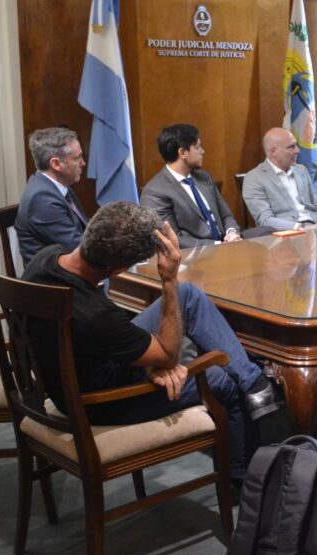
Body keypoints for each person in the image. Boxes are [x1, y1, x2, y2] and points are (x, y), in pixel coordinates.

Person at [21, 202, 278, 488]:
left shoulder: (46, 259)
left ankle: (254, 382)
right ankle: (245, 484)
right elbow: (168, 355)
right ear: (118, 269)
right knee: (223, 380)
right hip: (101, 401)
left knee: (187, 294)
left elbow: (116, 340)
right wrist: (168, 279)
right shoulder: (96, 316)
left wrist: (149, 360)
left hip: (82, 367)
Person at [140, 124, 242, 248]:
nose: (203, 151)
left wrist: (231, 232)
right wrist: (218, 244)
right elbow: (172, 239)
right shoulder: (155, 191)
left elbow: (226, 215)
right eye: (197, 147)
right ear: (182, 152)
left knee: (267, 231)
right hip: (196, 255)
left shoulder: (204, 177)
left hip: (227, 243)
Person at [15, 127, 90, 266]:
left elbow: (83, 229)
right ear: (56, 164)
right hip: (56, 283)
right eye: (77, 157)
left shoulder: (57, 185)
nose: (83, 163)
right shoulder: (42, 200)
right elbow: (80, 249)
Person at [242, 127, 317, 230]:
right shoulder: (254, 178)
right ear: (273, 151)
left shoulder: (301, 170)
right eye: (291, 147)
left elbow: (316, 207)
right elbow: (265, 220)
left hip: (315, 227)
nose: (297, 151)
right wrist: (301, 228)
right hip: (285, 234)